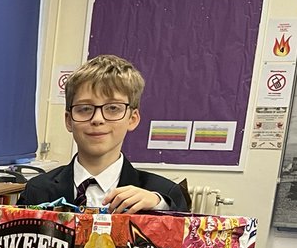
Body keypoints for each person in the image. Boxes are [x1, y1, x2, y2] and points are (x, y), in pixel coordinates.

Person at [19, 55, 189, 212]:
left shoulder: (162, 195)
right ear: (69, 120)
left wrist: (161, 207)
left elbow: (187, 236)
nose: (97, 119)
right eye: (85, 109)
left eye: (113, 108)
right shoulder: (37, 190)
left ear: (132, 118)